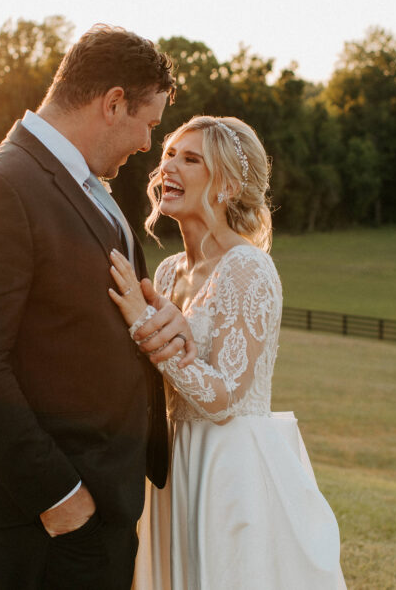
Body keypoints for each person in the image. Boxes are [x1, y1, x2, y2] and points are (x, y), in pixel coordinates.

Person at [0, 25, 197, 590]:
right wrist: (62, 501)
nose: (149, 145)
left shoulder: (88, 187)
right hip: (56, 511)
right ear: (113, 104)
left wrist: (162, 322)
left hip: (103, 493)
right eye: (149, 124)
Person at [107, 115, 347, 589]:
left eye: (190, 159)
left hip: (230, 464)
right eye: (169, 154)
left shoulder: (248, 269)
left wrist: (142, 324)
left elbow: (223, 399)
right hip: (174, 459)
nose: (168, 168)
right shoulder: (171, 271)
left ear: (227, 186)